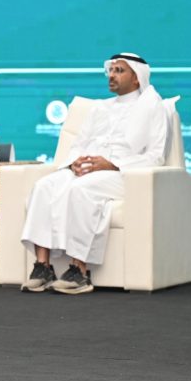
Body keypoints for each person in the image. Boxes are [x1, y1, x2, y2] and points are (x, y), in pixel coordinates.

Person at [20, 53, 168, 294]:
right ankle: (43, 267)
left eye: (119, 71)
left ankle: (79, 271)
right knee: (43, 186)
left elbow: (155, 156)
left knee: (82, 189)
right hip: (87, 168)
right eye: (111, 70)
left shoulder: (153, 108)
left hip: (123, 174)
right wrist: (74, 163)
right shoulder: (99, 107)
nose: (112, 75)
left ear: (137, 78)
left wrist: (112, 164)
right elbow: (78, 144)